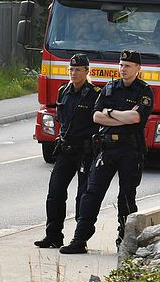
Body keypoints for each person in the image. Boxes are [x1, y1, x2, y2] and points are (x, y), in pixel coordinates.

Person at [60, 50, 154, 255]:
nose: (123, 69)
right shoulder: (109, 88)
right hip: (107, 149)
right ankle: (80, 238)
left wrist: (110, 113)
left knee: (126, 197)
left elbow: (136, 118)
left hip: (130, 150)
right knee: (91, 193)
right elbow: (95, 117)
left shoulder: (144, 91)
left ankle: (125, 239)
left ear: (138, 69)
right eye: (121, 65)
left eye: (127, 66)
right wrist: (120, 117)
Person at [34, 54, 101, 248]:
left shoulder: (96, 94)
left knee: (83, 195)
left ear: (87, 71)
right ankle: (53, 235)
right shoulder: (63, 91)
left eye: (78, 70)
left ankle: (80, 239)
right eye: (71, 70)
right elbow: (61, 120)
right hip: (66, 148)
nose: (73, 73)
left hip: (86, 150)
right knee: (55, 192)